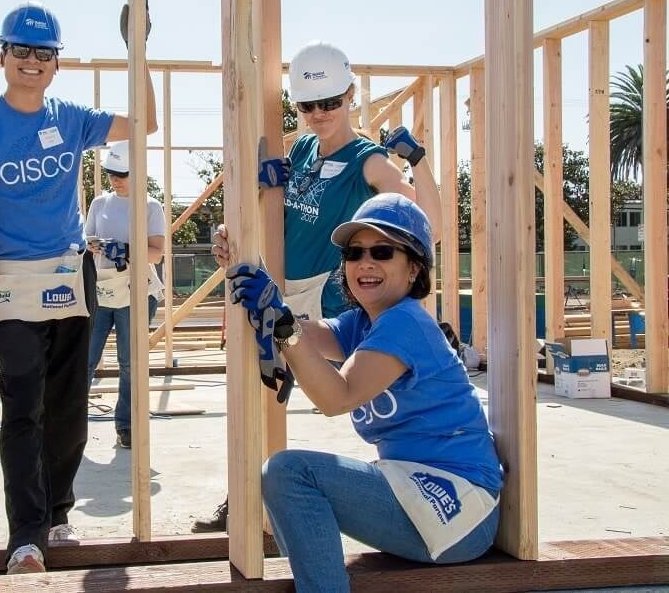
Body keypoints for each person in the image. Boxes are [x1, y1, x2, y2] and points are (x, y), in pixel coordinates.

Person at [192, 40, 443, 532]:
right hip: (280, 286)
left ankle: (278, 505)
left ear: (351, 94)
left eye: (330, 101)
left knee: (292, 395)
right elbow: (283, 227)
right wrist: (239, 231)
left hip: (324, 296)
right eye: (308, 105)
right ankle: (249, 499)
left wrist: (420, 163)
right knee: (253, 398)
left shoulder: (368, 161)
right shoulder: (301, 150)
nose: (320, 113)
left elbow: (427, 225)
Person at [219, 193, 502, 592]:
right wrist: (245, 265)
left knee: (288, 473)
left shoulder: (406, 323)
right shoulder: (364, 322)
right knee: (287, 481)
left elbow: (337, 396)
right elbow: (306, 332)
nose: (365, 263)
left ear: (413, 269)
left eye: (383, 251)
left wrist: (282, 326)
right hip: (418, 492)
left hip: (458, 505)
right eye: (354, 253)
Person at [0, 0, 157, 575]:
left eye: (42, 53)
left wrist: (138, 51)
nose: (31, 61)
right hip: (11, 280)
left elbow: (144, 124)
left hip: (72, 275)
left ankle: (56, 515)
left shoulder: (70, 116)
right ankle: (25, 536)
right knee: (23, 406)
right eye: (21, 51)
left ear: (56, 63)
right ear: (3, 56)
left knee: (69, 404)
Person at [84, 141, 166, 450]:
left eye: (122, 174)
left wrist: (130, 250)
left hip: (136, 292)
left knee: (130, 363)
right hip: (102, 290)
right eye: (111, 173)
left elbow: (157, 254)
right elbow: (86, 240)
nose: (115, 180)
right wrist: (92, 244)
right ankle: (70, 423)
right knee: (85, 359)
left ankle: (127, 425)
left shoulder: (150, 206)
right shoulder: (100, 203)